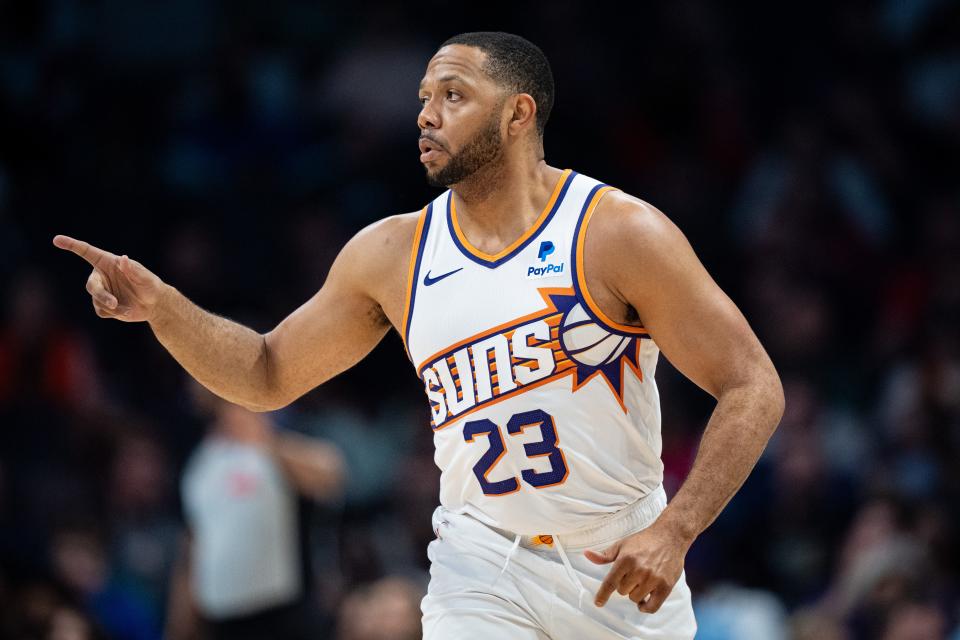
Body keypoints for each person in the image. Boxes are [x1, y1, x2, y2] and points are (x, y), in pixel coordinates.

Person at [54, 31, 784, 640]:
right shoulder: (392, 255)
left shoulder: (617, 233)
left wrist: (677, 528)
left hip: (620, 557)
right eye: (424, 99)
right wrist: (163, 309)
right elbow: (266, 373)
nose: (427, 115)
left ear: (518, 114)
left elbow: (753, 386)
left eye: (454, 96)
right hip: (482, 561)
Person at [164, 382, 344, 640]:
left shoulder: (276, 436)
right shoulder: (197, 462)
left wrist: (264, 439)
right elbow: (192, 550)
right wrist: (177, 628)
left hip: (284, 611)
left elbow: (331, 477)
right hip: (222, 619)